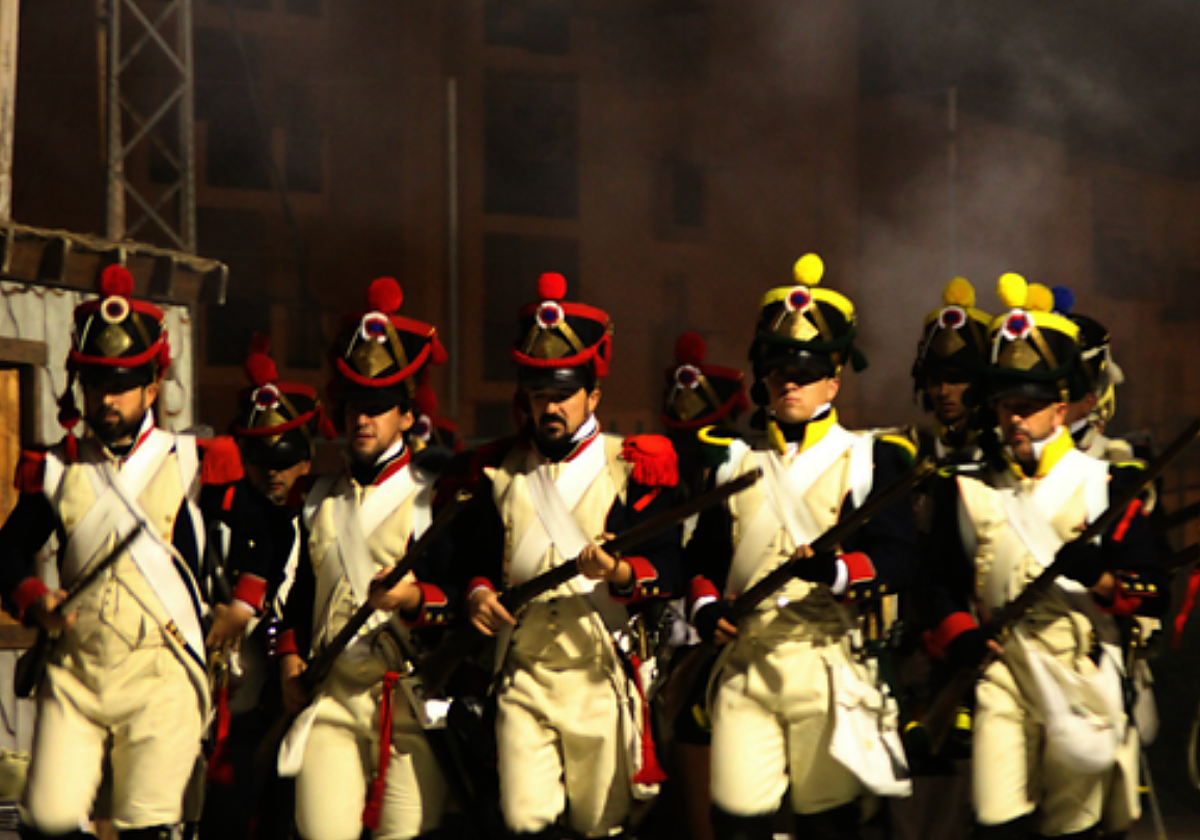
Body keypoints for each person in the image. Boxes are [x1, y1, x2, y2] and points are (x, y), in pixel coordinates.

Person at [0, 265, 259, 839]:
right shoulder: (58, 469)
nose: (107, 398)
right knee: (46, 822)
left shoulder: (193, 461)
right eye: (96, 384)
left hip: (161, 672)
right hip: (76, 672)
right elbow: (9, 552)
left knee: (148, 828)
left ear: (150, 387)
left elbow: (265, 531)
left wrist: (241, 605)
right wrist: (36, 600)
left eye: (120, 384)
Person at [923, 273, 1167, 840]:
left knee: (1072, 829)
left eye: (1028, 406)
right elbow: (939, 582)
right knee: (994, 822)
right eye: (1007, 404)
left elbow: (1153, 587)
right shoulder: (969, 486)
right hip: (1000, 670)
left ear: (1060, 410)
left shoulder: (1110, 483)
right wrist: (958, 634)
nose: (1014, 418)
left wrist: (1103, 579)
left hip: (1077, 672)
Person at [686, 253, 917, 840]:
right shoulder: (733, 459)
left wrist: (836, 572)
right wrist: (706, 607)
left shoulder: (871, 459)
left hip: (827, 661)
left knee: (827, 826)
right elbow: (704, 560)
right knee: (736, 822)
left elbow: (897, 557)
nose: (789, 381)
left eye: (806, 372)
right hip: (748, 662)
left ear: (833, 381)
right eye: (778, 369)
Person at [455, 272, 681, 840]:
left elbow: (668, 566)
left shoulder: (630, 465)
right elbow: (475, 560)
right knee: (524, 822)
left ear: (592, 394)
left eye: (561, 394)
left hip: (597, 675)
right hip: (523, 673)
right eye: (539, 395)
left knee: (599, 825)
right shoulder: (499, 472)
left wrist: (619, 572)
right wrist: (479, 592)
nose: (549, 406)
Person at [275, 277, 455, 840]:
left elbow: (457, 597)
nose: (363, 420)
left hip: (410, 702)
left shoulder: (438, 497)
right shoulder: (317, 497)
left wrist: (413, 599)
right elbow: (301, 597)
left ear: (407, 416)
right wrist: (287, 662)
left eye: (378, 408)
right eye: (355, 406)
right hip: (332, 698)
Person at [199, 334, 335, 840]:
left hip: (307, 682)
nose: (272, 472)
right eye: (261, 460)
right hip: (243, 686)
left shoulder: (325, 510)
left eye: (284, 459)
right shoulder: (227, 513)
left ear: (308, 455)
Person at [654, 331, 749, 840]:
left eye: (702, 437)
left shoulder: (742, 474)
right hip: (664, 644)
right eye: (680, 437)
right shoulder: (659, 486)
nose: (691, 451)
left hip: (725, 640)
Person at [910, 277, 993, 466]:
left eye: (956, 380)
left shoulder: (1006, 453)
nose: (943, 391)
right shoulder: (912, 450)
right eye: (935, 381)